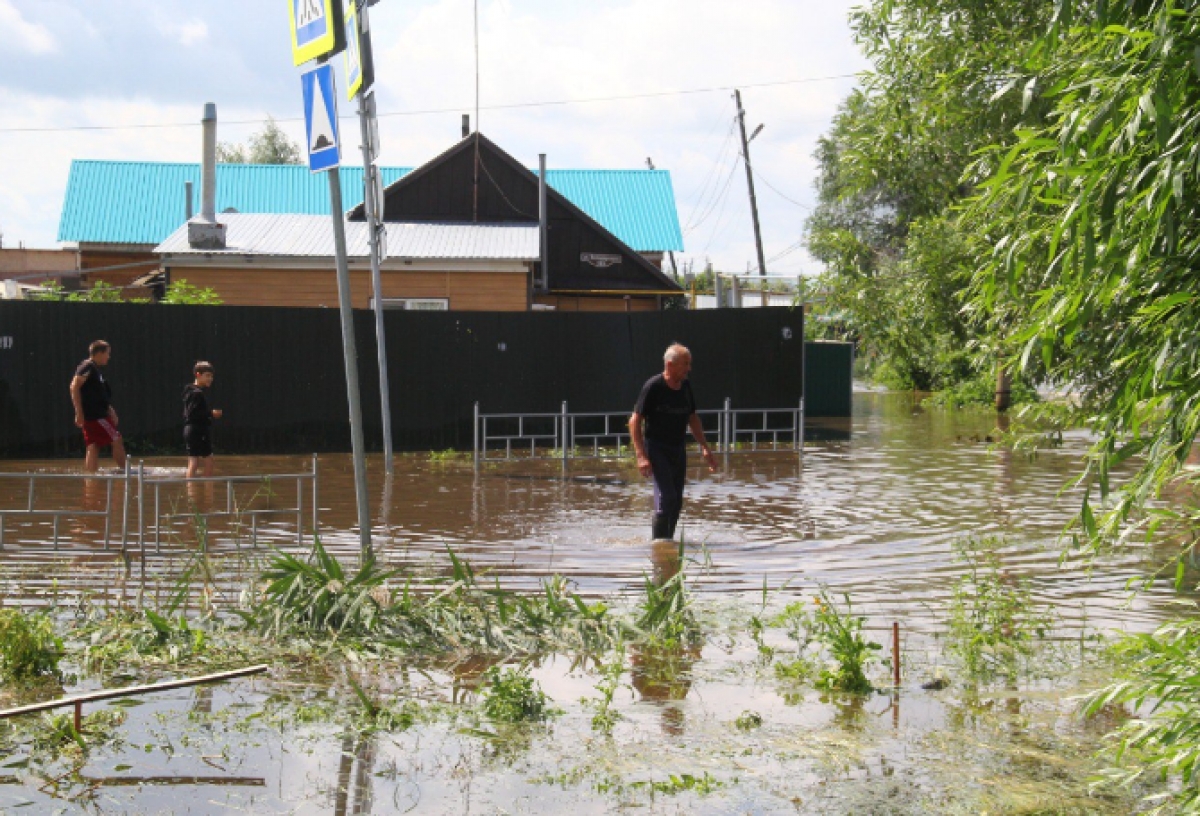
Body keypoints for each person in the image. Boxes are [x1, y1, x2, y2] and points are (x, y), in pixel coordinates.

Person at [630, 343, 716, 540]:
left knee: (676, 501)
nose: (689, 369)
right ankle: (658, 545)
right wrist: (641, 455)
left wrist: (705, 447)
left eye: (689, 364)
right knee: (667, 497)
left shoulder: (685, 386)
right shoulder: (653, 386)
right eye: (685, 364)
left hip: (677, 449)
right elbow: (635, 420)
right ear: (670, 365)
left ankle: (667, 543)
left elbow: (692, 418)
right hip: (657, 448)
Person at [69, 340, 126, 473]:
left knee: (93, 445)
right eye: (107, 353)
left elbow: (99, 395)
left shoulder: (95, 370)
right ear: (99, 353)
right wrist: (78, 411)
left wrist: (110, 409)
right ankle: (126, 472)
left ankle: (91, 478)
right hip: (95, 415)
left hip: (96, 413)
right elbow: (74, 386)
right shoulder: (87, 366)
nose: (109, 357)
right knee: (116, 439)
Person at [183, 361, 223, 479]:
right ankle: (208, 492)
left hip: (189, 429)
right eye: (207, 376)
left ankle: (191, 493)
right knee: (208, 460)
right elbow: (192, 413)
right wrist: (211, 413)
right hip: (198, 430)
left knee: (193, 461)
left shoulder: (189, 391)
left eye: (211, 376)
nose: (210, 379)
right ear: (198, 374)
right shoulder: (197, 394)